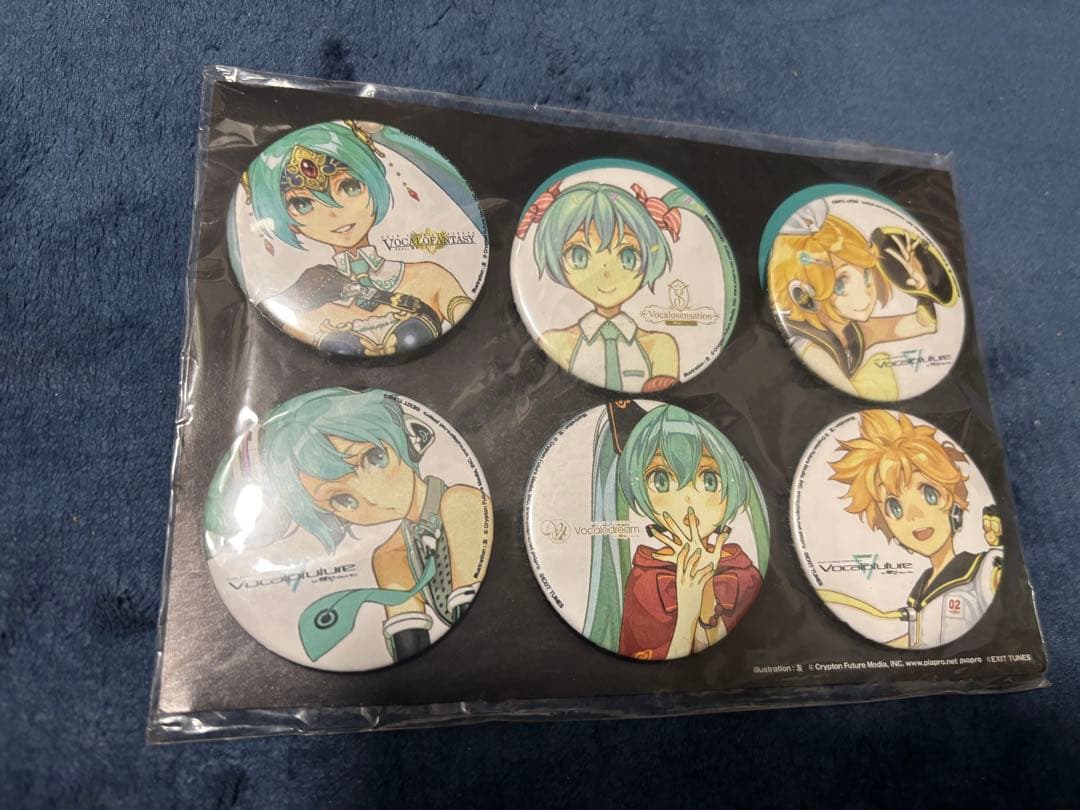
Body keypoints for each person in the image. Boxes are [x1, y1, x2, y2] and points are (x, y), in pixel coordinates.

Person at [205, 388, 491, 663]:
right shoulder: (389, 557)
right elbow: (410, 644)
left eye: (374, 458)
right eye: (342, 499)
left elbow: (473, 623)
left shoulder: (459, 502)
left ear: (410, 439)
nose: (372, 496)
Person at [241, 121, 479, 356]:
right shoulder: (300, 297)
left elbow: (477, 334)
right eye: (302, 204)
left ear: (373, 185)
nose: (334, 213)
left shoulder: (429, 276)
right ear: (286, 221)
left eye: (350, 187)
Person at [583, 402, 769, 659]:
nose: (688, 500)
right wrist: (688, 607)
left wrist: (706, 594)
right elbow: (651, 669)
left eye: (709, 479)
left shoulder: (744, 574)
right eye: (661, 480)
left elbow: (740, 657)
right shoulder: (644, 582)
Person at [828, 410, 1002, 648]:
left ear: (953, 497)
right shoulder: (920, 588)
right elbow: (917, 641)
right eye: (895, 508)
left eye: (929, 494)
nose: (914, 516)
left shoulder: (983, 568)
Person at [767, 199, 958, 399]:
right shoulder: (808, 346)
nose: (866, 295)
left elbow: (923, 324)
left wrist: (923, 292)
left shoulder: (855, 331)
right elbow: (852, 394)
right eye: (840, 285)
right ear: (803, 294)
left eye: (867, 275)